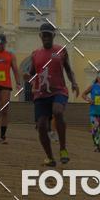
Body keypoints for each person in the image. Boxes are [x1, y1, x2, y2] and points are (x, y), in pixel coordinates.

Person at [24, 22, 79, 167]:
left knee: (58, 111)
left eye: (49, 35)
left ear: (54, 36)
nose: (47, 38)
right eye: (44, 35)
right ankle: (50, 157)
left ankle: (63, 149)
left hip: (58, 91)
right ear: (40, 36)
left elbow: (68, 69)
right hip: (41, 95)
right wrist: (26, 78)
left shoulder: (60, 51)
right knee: (41, 125)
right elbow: (31, 74)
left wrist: (74, 82)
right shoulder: (35, 54)